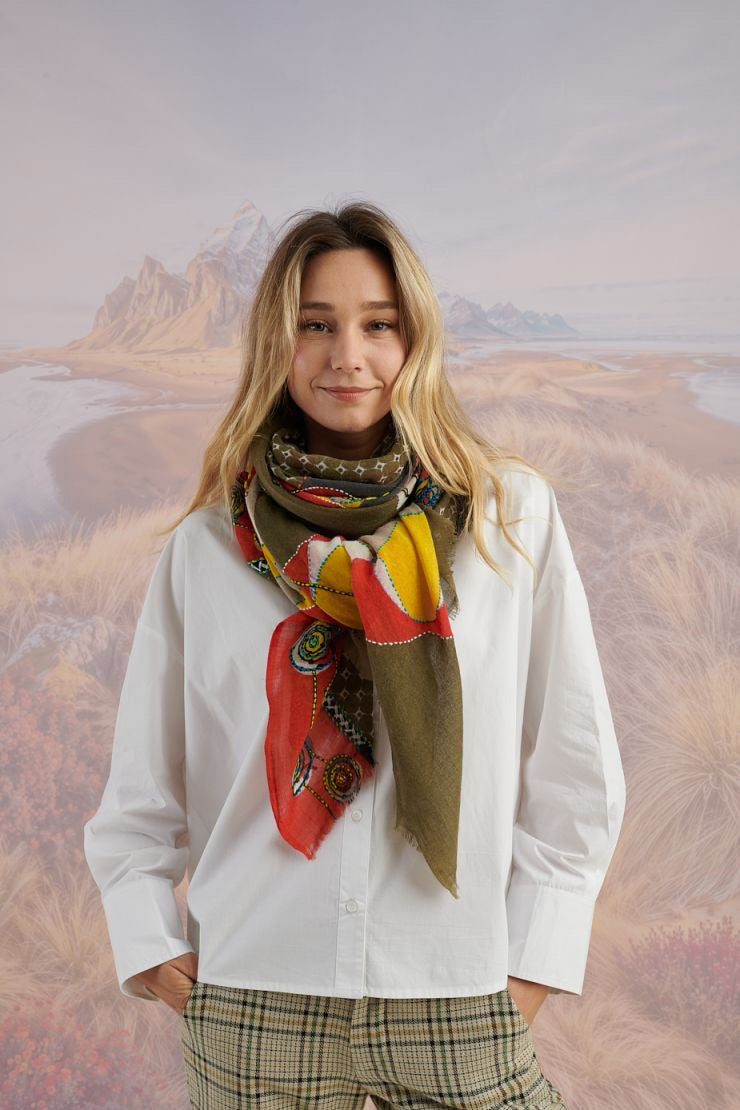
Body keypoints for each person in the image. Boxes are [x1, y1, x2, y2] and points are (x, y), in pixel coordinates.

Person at [83, 201, 626, 1109]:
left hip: (458, 991)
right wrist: (147, 941)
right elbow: (143, 786)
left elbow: (577, 768)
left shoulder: (509, 519)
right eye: (315, 326)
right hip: (256, 999)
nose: (348, 356)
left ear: (416, 337)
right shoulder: (209, 547)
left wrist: (531, 963)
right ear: (275, 344)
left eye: (379, 324)